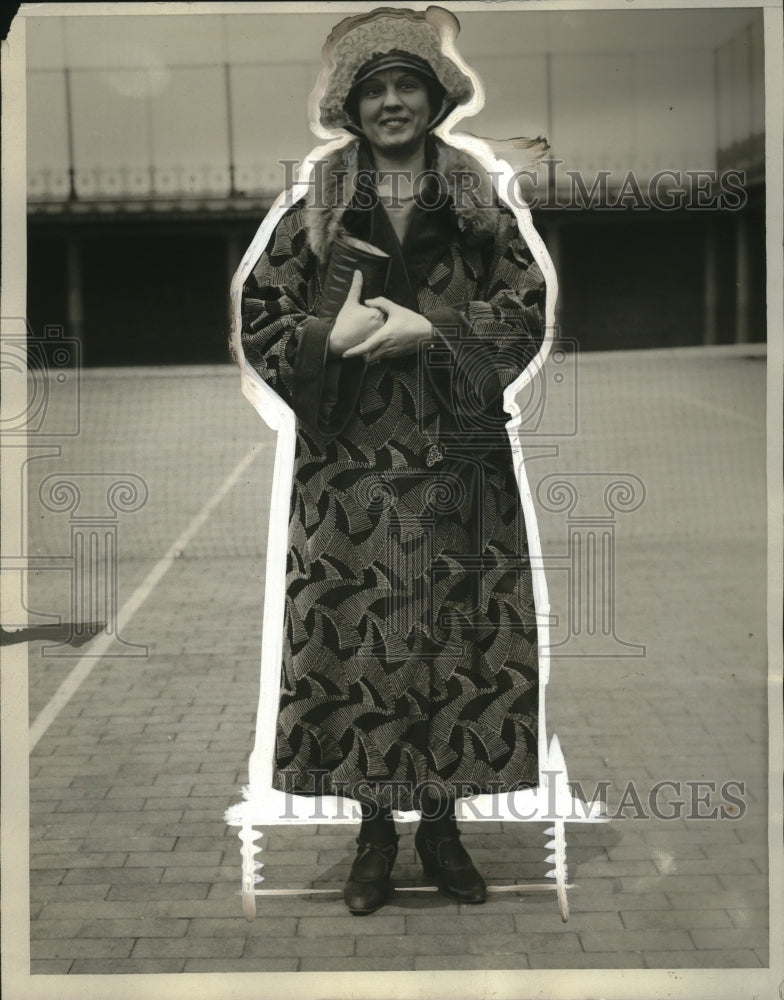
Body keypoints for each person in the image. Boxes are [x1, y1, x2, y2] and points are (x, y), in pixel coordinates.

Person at [237, 5, 548, 915]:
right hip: (351, 479)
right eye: (374, 89)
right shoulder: (317, 210)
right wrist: (321, 340)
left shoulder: (480, 203)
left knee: (458, 645)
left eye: (407, 83)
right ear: (351, 107)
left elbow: (524, 313)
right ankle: (375, 840)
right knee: (361, 651)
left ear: (435, 94)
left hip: (460, 472)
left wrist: (437, 327)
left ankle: (444, 833)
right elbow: (263, 317)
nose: (393, 102)